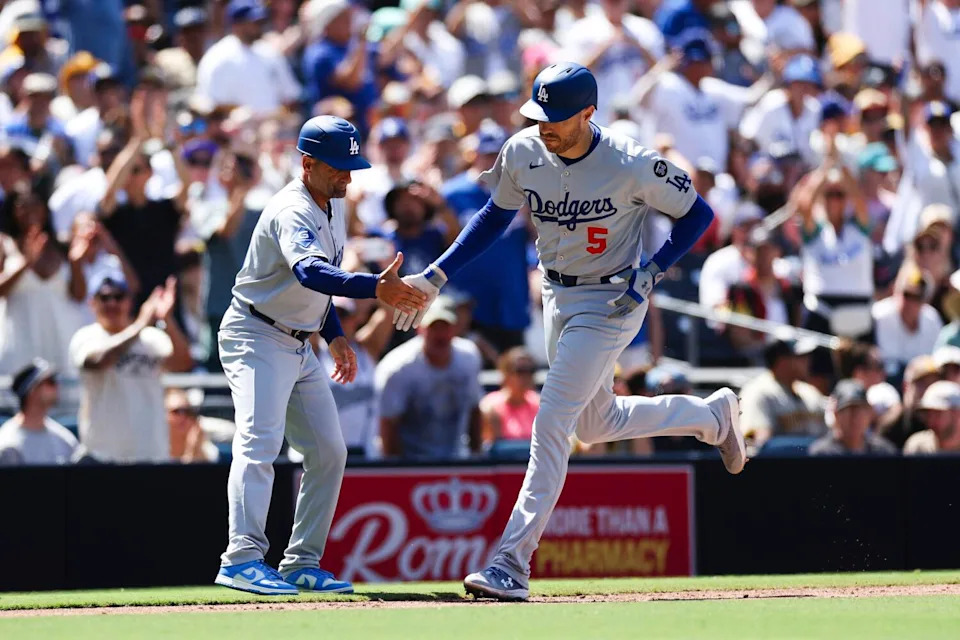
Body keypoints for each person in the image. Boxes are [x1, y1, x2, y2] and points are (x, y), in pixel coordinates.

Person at [392, 63, 744, 601]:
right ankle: (711, 416)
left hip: (612, 297)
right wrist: (437, 274)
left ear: (588, 113)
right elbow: (493, 216)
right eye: (539, 115)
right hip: (557, 293)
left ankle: (512, 560)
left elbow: (698, 214)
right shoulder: (523, 150)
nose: (545, 126)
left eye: (557, 118)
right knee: (597, 422)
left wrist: (654, 267)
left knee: (551, 421)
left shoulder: (631, 161)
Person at [213, 116, 427, 596]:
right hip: (256, 332)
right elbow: (309, 271)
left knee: (329, 451)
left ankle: (300, 562)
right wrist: (376, 288)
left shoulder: (332, 203)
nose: (348, 176)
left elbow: (319, 281)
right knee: (258, 443)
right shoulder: (291, 208)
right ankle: (242, 558)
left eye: (351, 165)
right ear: (307, 163)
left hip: (299, 338)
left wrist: (332, 335)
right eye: (339, 167)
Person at [69, 270, 193, 463]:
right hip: (102, 457)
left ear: (129, 301)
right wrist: (141, 323)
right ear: (92, 303)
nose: (112, 303)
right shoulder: (86, 337)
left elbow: (183, 363)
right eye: (104, 297)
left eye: (118, 296)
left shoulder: (151, 338)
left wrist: (167, 319)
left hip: (150, 454)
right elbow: (98, 361)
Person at [376, 297, 483, 459]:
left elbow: (475, 409)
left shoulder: (469, 357)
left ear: (455, 328)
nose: (440, 335)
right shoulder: (398, 368)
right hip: (412, 463)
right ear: (420, 328)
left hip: (458, 460)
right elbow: (388, 424)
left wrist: (476, 458)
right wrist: (397, 472)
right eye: (434, 327)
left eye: (445, 327)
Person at [0, 180, 87, 376]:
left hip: (61, 341)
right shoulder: (5, 245)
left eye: (35, 203)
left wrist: (75, 263)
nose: (30, 210)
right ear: (13, 211)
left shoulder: (62, 246)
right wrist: (25, 263)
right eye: (23, 204)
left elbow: (79, 296)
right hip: (18, 347)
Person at [195, 0, 301, 116]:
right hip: (235, 130)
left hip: (273, 129)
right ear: (236, 24)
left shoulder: (270, 52)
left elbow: (291, 97)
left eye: (260, 21)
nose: (259, 25)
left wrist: (278, 116)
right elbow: (209, 105)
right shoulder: (217, 57)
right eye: (253, 22)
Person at [739, 338, 827, 446]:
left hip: (817, 462)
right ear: (781, 360)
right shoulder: (757, 392)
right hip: (779, 462)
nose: (808, 361)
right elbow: (756, 444)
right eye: (801, 357)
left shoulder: (810, 392)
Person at [0, 358, 77, 466]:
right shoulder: (8, 444)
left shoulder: (65, 440)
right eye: (50, 381)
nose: (57, 386)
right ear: (32, 390)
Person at [872, 263, 944, 373]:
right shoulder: (879, 315)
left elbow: (935, 358)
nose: (910, 302)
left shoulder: (932, 319)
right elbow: (886, 361)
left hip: (924, 375)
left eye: (916, 297)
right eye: (906, 294)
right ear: (895, 291)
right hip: (889, 376)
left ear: (925, 300)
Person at [808, 379, 898, 456]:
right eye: (848, 410)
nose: (855, 417)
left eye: (860, 410)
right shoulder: (822, 453)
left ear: (869, 413)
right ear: (836, 414)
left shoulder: (883, 452)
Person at [480, 347, 540, 448]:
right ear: (506, 374)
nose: (526, 376)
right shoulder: (490, 407)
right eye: (520, 371)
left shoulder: (540, 404)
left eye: (530, 371)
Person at [903, 380, 960, 454]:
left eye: (938, 413)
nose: (931, 420)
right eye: (928, 414)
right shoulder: (917, 446)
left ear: (956, 413)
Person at [165, 387, 219, 463]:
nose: (183, 417)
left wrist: (192, 451)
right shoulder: (153, 449)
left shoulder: (207, 450)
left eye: (188, 411)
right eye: (176, 411)